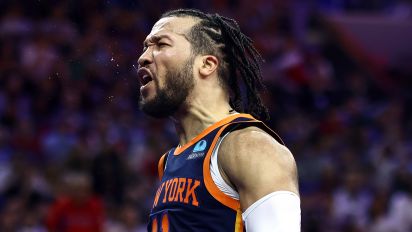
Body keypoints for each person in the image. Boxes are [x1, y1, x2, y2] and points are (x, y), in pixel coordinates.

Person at [137, 8, 300, 231]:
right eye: (146, 47)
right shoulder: (169, 162)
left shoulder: (251, 146)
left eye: (161, 45)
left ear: (207, 64)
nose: (144, 57)